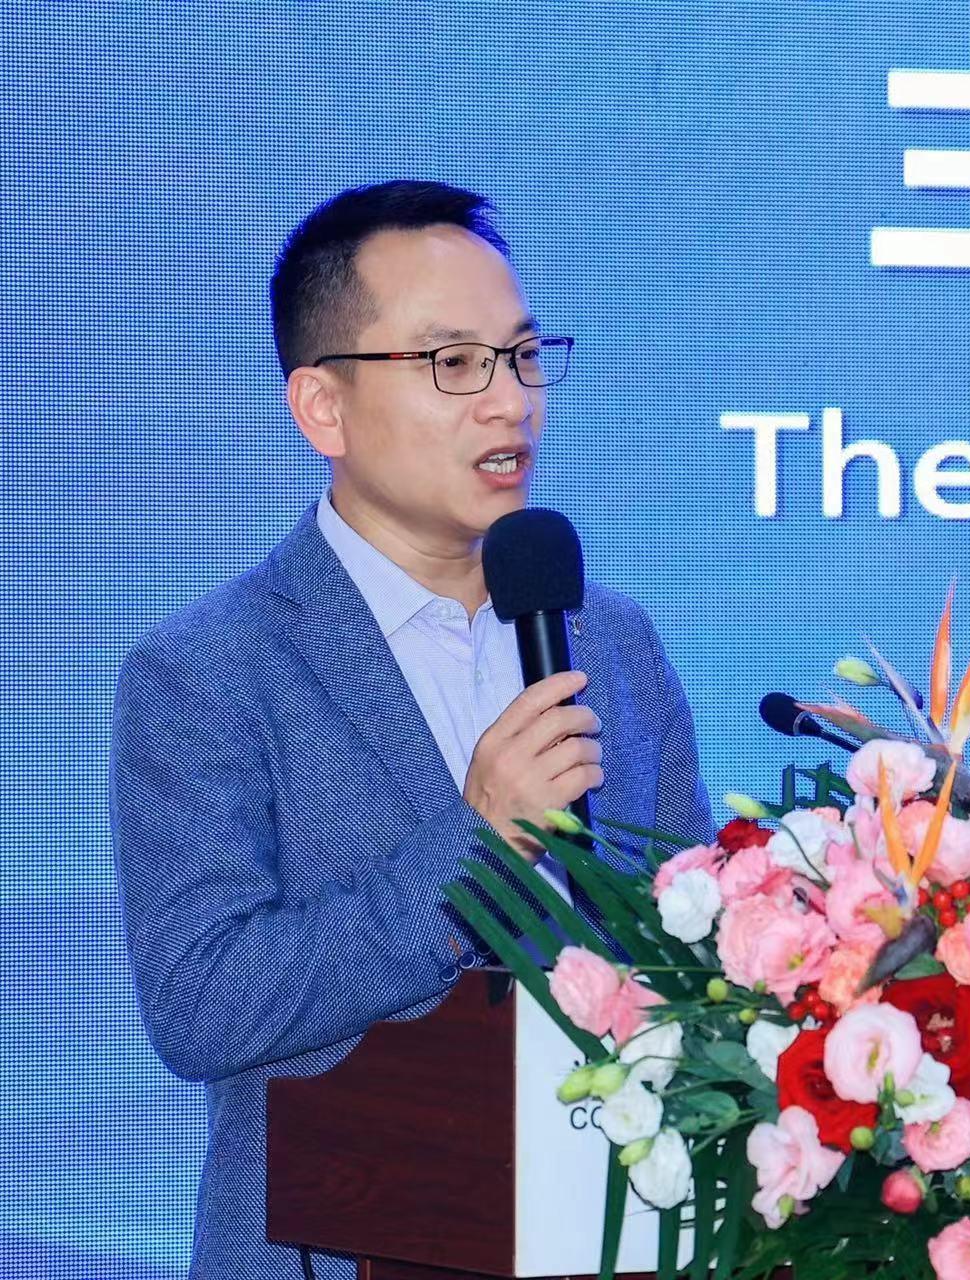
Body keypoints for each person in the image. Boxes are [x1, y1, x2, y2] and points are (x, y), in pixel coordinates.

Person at [109, 180, 714, 1279]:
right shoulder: (208, 669)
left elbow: (692, 943)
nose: (510, 402)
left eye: (522, 356)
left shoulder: (612, 638)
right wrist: (478, 846)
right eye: (453, 363)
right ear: (322, 408)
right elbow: (203, 1003)